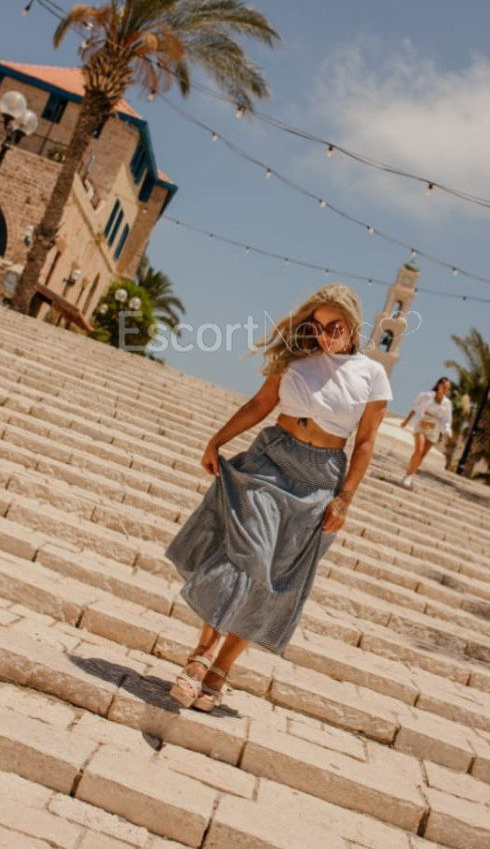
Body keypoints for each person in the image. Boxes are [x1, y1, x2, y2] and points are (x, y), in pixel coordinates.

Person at [165, 283, 393, 711]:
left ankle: (220, 670)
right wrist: (217, 440)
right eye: (318, 326)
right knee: (248, 555)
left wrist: (345, 498)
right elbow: (260, 405)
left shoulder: (372, 374)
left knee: (274, 578)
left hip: (320, 479)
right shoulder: (296, 358)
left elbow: (365, 442)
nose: (325, 334)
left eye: (335, 326)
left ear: (353, 325)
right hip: (270, 461)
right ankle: (201, 656)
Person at [399, 377, 453, 490]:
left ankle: (409, 475)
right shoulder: (426, 396)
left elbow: (447, 419)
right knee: (419, 450)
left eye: (447, 388)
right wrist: (406, 421)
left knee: (423, 454)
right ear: (439, 385)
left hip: (434, 429)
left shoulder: (447, 403)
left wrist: (447, 430)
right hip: (423, 424)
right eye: (444, 387)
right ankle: (408, 474)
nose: (445, 390)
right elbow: (415, 408)